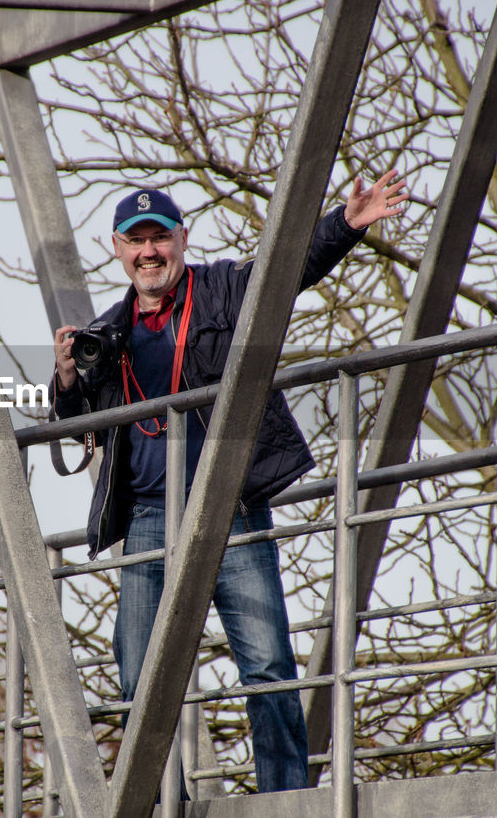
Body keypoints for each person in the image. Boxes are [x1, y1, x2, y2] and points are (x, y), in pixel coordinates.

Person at [50, 171, 407, 792]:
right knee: (137, 674)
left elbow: (289, 268)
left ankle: (285, 801)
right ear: (117, 249)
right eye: (136, 241)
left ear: (182, 239)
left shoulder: (221, 290)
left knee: (267, 664)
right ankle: (167, 802)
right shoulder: (103, 334)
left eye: (160, 237)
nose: (149, 252)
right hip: (148, 518)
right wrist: (64, 381)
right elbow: (79, 428)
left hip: (229, 504)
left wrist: (345, 225)